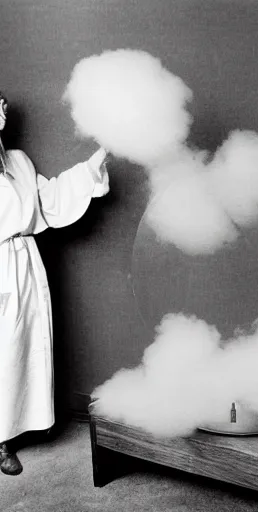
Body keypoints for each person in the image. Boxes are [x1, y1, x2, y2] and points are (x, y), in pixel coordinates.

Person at [0, 91, 110, 476]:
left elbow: (49, 200)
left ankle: (12, 427)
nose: (2, 110)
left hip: (25, 263)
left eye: (1, 104)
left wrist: (94, 163)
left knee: (22, 347)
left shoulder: (17, 161)